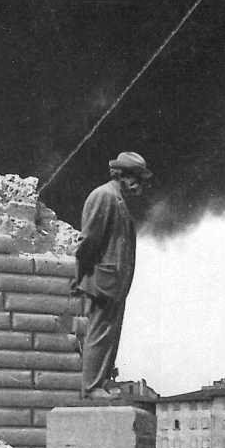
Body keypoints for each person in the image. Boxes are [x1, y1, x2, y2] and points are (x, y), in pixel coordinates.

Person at [72, 151, 152, 398]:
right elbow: (88, 240)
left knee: (109, 334)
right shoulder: (104, 196)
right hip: (103, 280)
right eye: (135, 178)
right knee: (99, 333)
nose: (138, 185)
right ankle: (93, 386)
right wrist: (81, 275)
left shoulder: (117, 199)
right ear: (121, 175)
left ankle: (102, 379)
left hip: (114, 282)